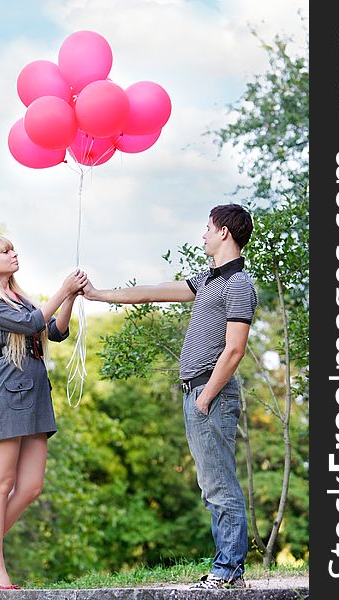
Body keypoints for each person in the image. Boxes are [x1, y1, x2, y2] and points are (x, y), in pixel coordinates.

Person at [83, 203, 257, 589]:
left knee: (219, 484)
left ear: (225, 233)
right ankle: (229, 571)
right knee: (210, 483)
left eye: (208, 228)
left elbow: (234, 350)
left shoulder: (238, 284)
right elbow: (155, 291)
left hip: (210, 393)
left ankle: (228, 572)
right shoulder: (209, 279)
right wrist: (98, 295)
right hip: (197, 392)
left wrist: (206, 395)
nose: (204, 235)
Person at [0, 234, 88, 591]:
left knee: (30, 486)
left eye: (13, 249)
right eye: (5, 251)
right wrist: (62, 289)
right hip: (7, 391)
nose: (14, 255)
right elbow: (31, 324)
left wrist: (70, 298)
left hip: (36, 389)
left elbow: (55, 330)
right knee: (1, 484)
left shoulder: (20, 297)